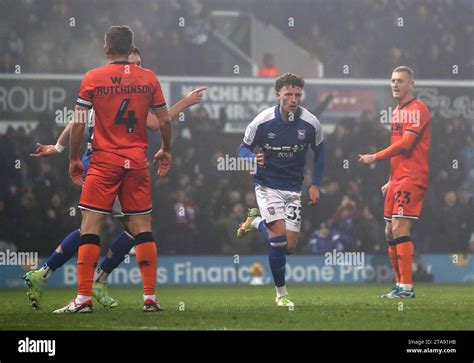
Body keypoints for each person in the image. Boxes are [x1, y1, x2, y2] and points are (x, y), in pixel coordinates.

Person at [23, 46, 206, 310]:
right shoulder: (115, 86)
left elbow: (149, 123)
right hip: (100, 161)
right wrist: (60, 148)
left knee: (117, 226)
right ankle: (72, 280)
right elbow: (81, 121)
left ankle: (69, 279)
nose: (136, 67)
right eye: (133, 62)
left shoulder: (122, 87)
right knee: (107, 225)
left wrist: (59, 148)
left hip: (117, 163)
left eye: (140, 62)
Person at [48, 25, 173, 313]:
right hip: (138, 162)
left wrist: (74, 158)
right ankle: (150, 298)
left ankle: (83, 299)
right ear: (131, 50)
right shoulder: (149, 78)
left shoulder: (93, 78)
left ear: (106, 50)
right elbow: (164, 122)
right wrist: (166, 149)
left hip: (104, 162)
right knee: (142, 228)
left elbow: (79, 121)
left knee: (90, 226)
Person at [236, 73, 325, 307]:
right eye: (288, 95)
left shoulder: (311, 123)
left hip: (294, 188)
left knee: (290, 247)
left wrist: (315, 183)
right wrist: (253, 156)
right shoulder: (262, 121)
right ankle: (281, 294)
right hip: (267, 185)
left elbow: (320, 153)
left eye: (297, 95)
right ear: (278, 95)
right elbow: (242, 149)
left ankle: (255, 222)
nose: (294, 100)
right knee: (277, 240)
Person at [359, 66, 430, 298]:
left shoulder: (418, 109)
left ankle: (407, 288)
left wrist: (375, 156)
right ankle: (399, 286)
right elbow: (399, 152)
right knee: (389, 231)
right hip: (398, 179)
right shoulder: (398, 111)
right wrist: (391, 179)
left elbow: (406, 145)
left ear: (411, 84)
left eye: (400, 81)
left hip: (413, 177)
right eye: (392, 81)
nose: (395, 84)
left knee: (400, 227)